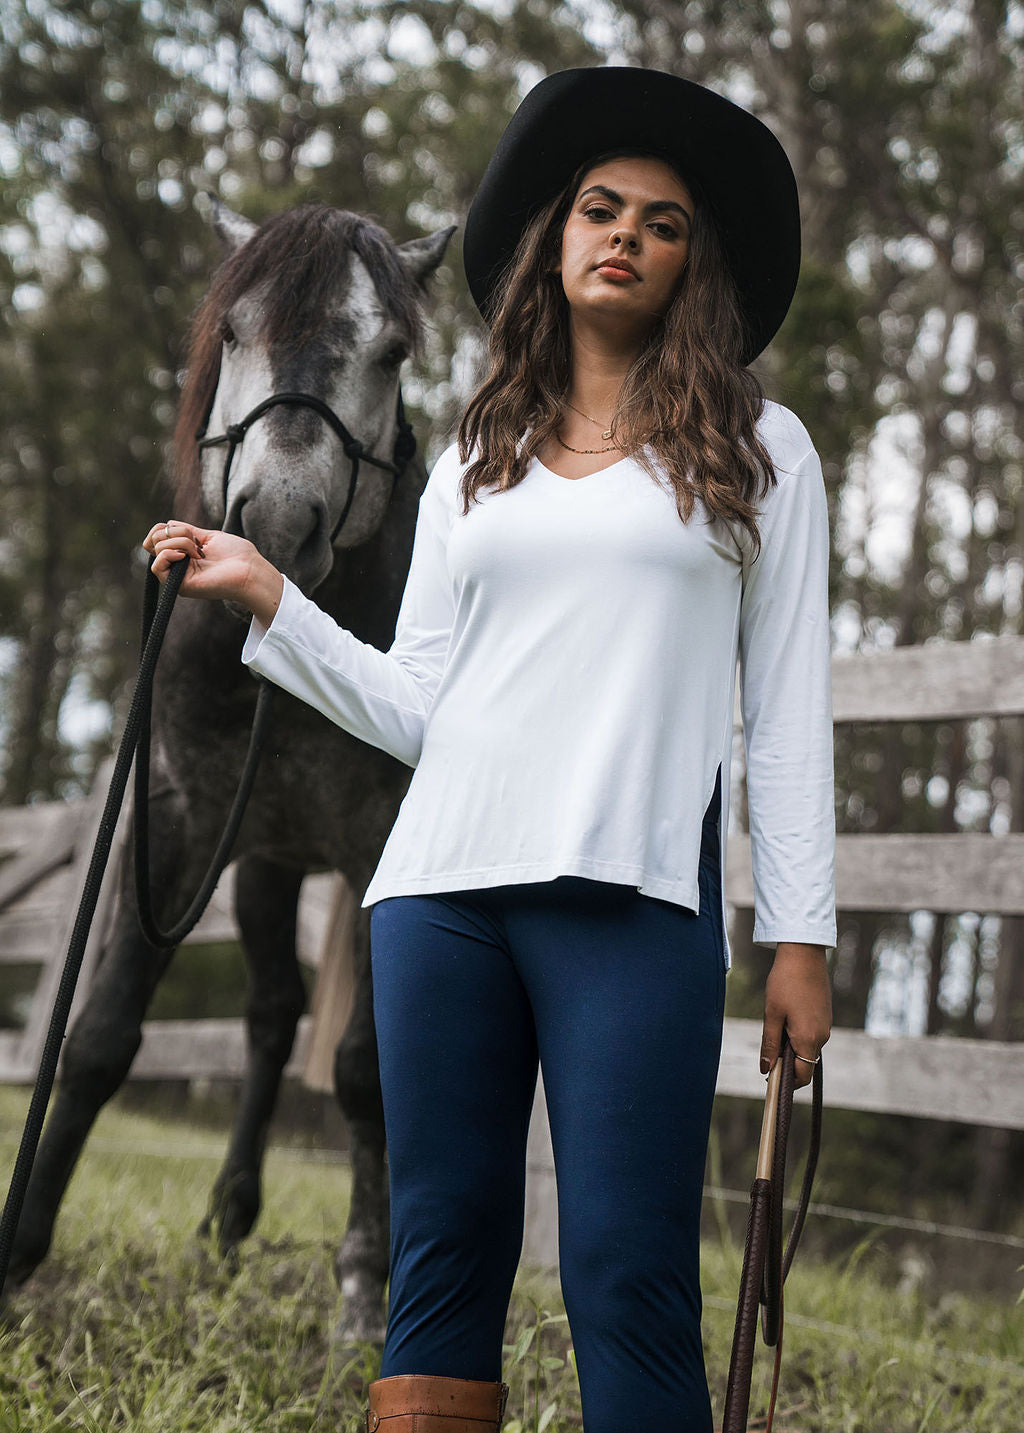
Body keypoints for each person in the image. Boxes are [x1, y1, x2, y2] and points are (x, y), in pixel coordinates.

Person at [144, 67, 835, 1433]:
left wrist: (800, 937)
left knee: (627, 1273)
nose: (625, 236)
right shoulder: (477, 453)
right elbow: (419, 704)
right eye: (599, 209)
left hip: (635, 904)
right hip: (438, 902)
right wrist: (271, 596)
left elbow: (789, 708)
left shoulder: (763, 450)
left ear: (694, 266)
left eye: (662, 223)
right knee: (440, 1260)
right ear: (554, 238)